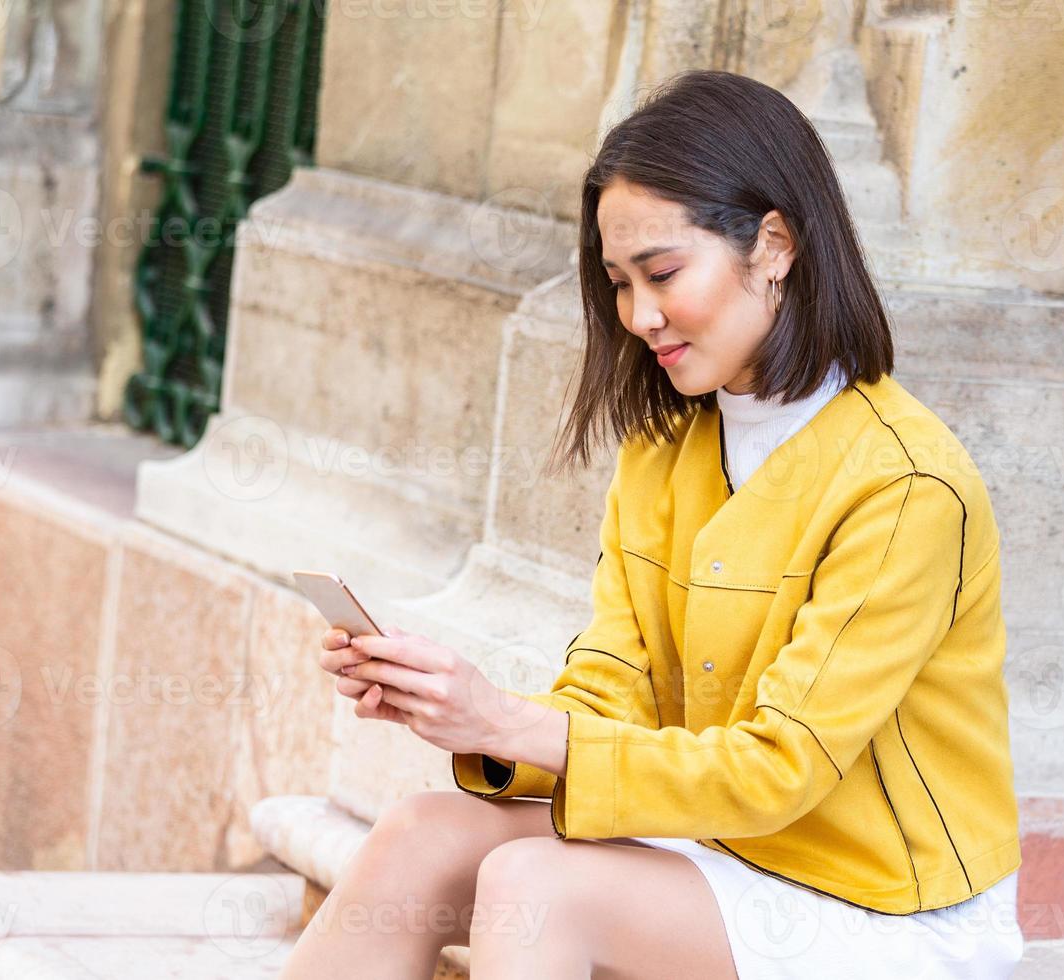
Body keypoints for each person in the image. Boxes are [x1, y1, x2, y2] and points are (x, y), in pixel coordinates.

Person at [280, 68, 1023, 980]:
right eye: (620, 283)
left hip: (882, 903)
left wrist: (509, 721)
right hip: (713, 843)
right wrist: (459, 712)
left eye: (664, 273)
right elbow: (609, 695)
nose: (640, 316)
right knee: (420, 834)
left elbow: (777, 770)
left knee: (535, 884)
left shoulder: (905, 485)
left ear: (776, 244)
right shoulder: (666, 449)